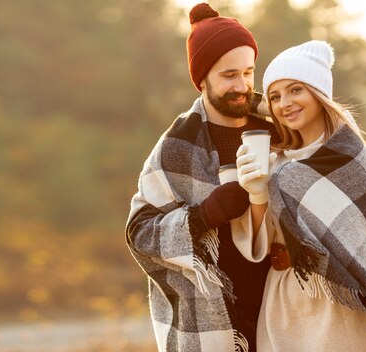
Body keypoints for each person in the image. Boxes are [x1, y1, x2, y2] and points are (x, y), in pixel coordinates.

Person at [236, 40, 366, 351]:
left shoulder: (349, 156)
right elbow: (260, 244)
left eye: (295, 90)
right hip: (284, 302)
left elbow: (353, 242)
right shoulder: (274, 162)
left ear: (318, 93)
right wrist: (256, 194)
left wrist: (278, 182)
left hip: (340, 304)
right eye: (275, 96)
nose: (284, 103)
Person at [125, 3, 278, 351]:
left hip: (282, 312)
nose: (242, 85)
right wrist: (203, 215)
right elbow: (140, 232)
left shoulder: (280, 127)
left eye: (249, 72)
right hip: (212, 324)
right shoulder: (177, 146)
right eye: (229, 75)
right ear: (203, 77)